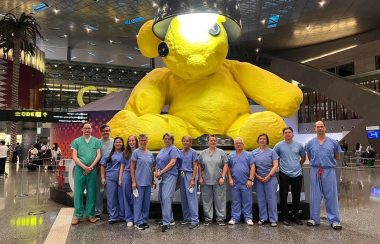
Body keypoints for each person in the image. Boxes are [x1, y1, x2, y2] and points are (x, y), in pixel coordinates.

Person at [305, 120, 342, 230]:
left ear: (325, 128)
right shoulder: (310, 143)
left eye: (322, 126)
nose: (320, 128)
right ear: (314, 129)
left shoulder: (333, 143)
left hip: (328, 170)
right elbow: (310, 157)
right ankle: (314, 219)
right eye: (318, 127)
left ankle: (334, 220)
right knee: (315, 195)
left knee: (331, 195)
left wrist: (326, 163)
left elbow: (337, 157)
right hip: (315, 170)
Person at [71, 122, 102, 225]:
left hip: (92, 170)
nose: (87, 130)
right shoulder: (76, 141)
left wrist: (91, 167)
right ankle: (77, 215)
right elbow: (74, 156)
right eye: (85, 128)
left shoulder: (96, 141)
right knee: (78, 192)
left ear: (91, 129)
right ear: (82, 129)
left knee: (91, 192)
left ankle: (90, 214)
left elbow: (98, 155)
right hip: (80, 170)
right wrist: (84, 167)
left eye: (89, 128)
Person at [274, 127, 306, 225]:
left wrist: (297, 165)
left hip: (297, 174)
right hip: (284, 174)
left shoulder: (299, 145)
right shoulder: (278, 146)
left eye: (289, 132)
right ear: (283, 135)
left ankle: (295, 216)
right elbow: (275, 159)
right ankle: (285, 217)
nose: (287, 134)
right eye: (286, 133)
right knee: (283, 196)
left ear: (293, 134)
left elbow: (303, 157)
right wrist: (281, 166)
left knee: (296, 196)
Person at [198, 134, 228, 226]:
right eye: (211, 140)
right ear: (208, 142)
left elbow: (225, 165)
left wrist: (223, 177)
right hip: (206, 180)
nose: (213, 142)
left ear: (216, 142)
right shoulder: (203, 153)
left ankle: (220, 218)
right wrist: (200, 177)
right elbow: (199, 165)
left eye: (214, 140)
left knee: (220, 199)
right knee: (206, 200)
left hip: (218, 180)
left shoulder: (221, 152)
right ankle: (208, 218)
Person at [155, 133, 181, 232]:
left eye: (169, 139)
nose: (166, 140)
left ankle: (166, 223)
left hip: (170, 175)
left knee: (166, 197)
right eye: (165, 138)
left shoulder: (173, 149)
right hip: (162, 176)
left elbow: (172, 162)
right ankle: (170, 219)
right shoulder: (162, 150)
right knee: (162, 198)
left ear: (172, 140)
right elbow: (158, 162)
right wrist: (157, 171)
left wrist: (161, 171)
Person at [252, 133, 279, 227]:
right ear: (258, 140)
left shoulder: (272, 152)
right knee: (261, 199)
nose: (262, 140)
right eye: (260, 139)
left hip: (270, 178)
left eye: (264, 139)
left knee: (271, 199)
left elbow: (275, 164)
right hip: (258, 179)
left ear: (267, 141)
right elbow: (252, 167)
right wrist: (256, 176)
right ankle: (263, 218)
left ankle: (273, 219)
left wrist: (269, 176)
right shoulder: (254, 153)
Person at [227, 137, 255, 226]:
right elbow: (228, 168)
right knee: (235, 201)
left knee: (247, 201)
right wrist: (230, 179)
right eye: (236, 143)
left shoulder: (249, 155)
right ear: (234, 145)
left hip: (246, 181)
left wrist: (250, 179)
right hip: (235, 182)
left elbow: (253, 167)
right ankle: (235, 218)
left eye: (240, 143)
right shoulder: (231, 156)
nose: (238, 144)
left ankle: (248, 218)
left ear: (243, 145)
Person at [131, 134, 155, 230]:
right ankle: (137, 221)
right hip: (139, 181)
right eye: (141, 140)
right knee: (138, 202)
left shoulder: (150, 153)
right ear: (139, 141)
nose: (143, 142)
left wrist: (153, 180)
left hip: (148, 182)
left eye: (145, 140)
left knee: (146, 202)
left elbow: (152, 168)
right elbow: (132, 168)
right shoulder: (136, 153)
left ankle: (144, 220)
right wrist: (133, 181)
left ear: (147, 140)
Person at [100, 137, 125, 224]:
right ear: (114, 144)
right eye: (116, 142)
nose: (118, 143)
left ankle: (122, 215)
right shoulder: (109, 153)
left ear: (122, 144)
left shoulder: (125, 154)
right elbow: (102, 165)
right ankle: (113, 216)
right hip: (111, 178)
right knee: (111, 198)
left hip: (122, 179)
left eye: (120, 142)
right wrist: (103, 178)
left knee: (122, 198)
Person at [179, 135, 199, 229]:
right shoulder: (180, 152)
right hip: (182, 175)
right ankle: (186, 217)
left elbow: (195, 166)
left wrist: (193, 179)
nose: (186, 142)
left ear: (190, 143)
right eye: (184, 141)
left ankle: (194, 220)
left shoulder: (193, 152)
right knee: (184, 198)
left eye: (188, 141)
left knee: (191, 197)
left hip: (190, 175)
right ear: (182, 142)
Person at [119, 135, 138, 227]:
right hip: (126, 175)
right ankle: (129, 218)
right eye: (129, 141)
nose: (131, 142)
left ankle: (136, 217)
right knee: (126, 197)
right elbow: (122, 166)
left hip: (137, 176)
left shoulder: (140, 151)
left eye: (133, 140)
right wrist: (120, 178)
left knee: (136, 197)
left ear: (136, 141)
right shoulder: (125, 152)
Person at [96, 124, 114, 219]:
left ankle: (112, 213)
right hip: (99, 170)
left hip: (112, 171)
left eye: (107, 130)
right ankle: (98, 212)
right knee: (99, 192)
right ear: (101, 132)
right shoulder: (97, 143)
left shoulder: (114, 141)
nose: (105, 132)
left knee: (111, 192)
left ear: (110, 131)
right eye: (103, 131)